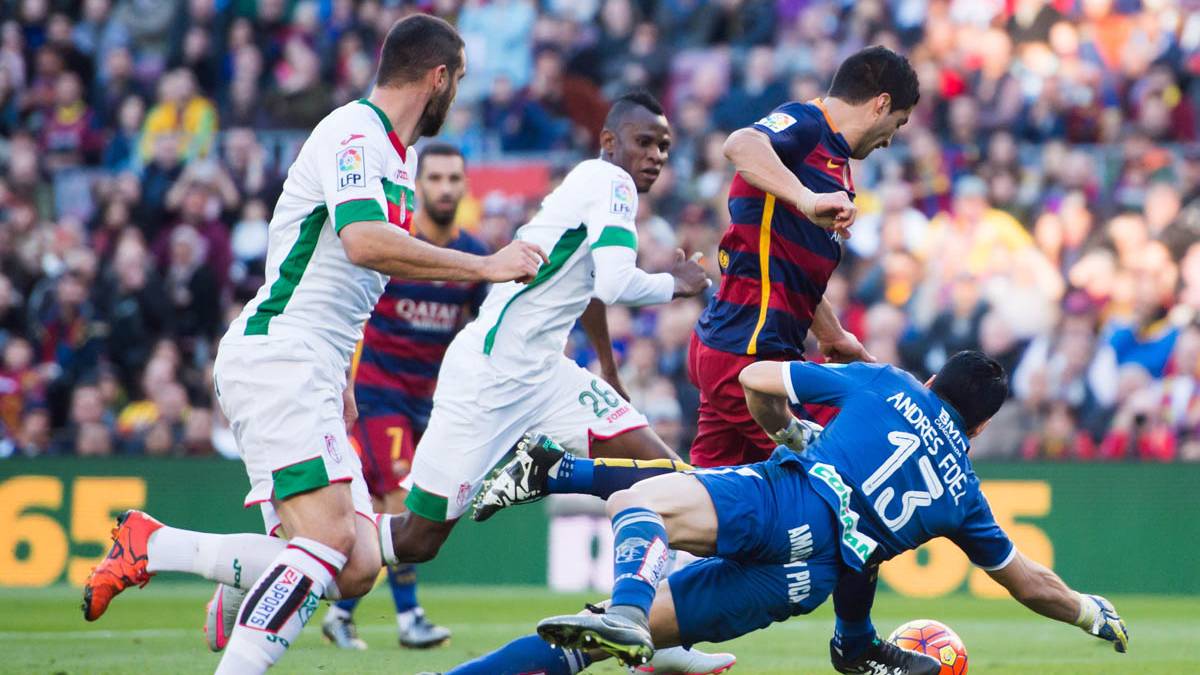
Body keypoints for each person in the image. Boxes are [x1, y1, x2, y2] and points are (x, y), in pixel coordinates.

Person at [80, 15, 547, 675]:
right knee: (328, 540)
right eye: (458, 82)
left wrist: (345, 379)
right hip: (280, 356)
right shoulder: (351, 132)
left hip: (316, 369)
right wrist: (483, 265)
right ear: (437, 78)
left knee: (354, 565)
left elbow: (339, 276)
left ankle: (158, 547)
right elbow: (361, 241)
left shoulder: (400, 155)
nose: (457, 97)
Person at [477, 44, 920, 674]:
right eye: (896, 124)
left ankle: (567, 492)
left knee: (690, 495)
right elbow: (739, 144)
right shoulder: (805, 124)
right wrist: (804, 196)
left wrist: (830, 331)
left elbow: (786, 252)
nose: (891, 139)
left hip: (749, 349)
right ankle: (856, 646)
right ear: (881, 104)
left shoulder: (840, 166)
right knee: (858, 485)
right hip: (749, 357)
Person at [453, 352, 1130, 674]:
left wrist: (787, 431)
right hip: (807, 581)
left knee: (644, 503)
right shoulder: (966, 494)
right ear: (978, 430)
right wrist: (1088, 611)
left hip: (787, 502)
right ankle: (616, 609)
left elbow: (756, 381)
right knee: (586, 642)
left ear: (930, 383)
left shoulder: (888, 384)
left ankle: (622, 594)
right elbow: (1025, 579)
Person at [383, 90, 733, 674]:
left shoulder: (598, 191)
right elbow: (619, 282)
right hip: (488, 380)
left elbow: (591, 285)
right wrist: (677, 283)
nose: (656, 156)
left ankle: (662, 633)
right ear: (610, 142)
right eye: (645, 142)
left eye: (665, 148)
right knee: (417, 539)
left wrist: (610, 372)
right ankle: (302, 559)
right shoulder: (610, 184)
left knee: (674, 480)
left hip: (546, 375)